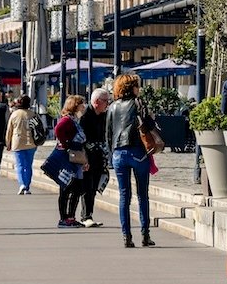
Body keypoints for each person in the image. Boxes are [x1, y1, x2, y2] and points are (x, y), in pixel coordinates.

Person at [107, 73, 156, 248]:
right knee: (142, 195)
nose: (139, 88)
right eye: (137, 85)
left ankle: (126, 236)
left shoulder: (112, 107)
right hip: (137, 151)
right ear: (132, 87)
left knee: (124, 195)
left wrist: (112, 153)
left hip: (118, 153)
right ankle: (145, 234)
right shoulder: (137, 103)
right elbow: (149, 125)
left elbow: (108, 134)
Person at [51, 94, 90, 227]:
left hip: (76, 157)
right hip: (69, 158)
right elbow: (58, 130)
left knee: (77, 188)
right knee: (66, 188)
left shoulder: (75, 120)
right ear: (74, 105)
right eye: (81, 104)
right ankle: (64, 218)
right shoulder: (67, 120)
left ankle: (71, 217)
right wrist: (66, 145)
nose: (83, 106)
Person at [77, 88, 111, 227]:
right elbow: (80, 138)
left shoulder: (104, 115)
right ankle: (85, 216)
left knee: (94, 186)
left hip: (99, 155)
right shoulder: (85, 116)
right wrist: (84, 158)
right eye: (105, 101)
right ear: (97, 102)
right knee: (87, 186)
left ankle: (88, 215)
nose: (107, 104)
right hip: (87, 156)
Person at [5, 94, 39, 195]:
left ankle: (22, 184)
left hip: (17, 143)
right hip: (31, 143)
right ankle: (27, 186)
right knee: (28, 165)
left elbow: (9, 130)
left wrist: (8, 143)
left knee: (20, 165)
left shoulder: (14, 114)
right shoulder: (33, 114)